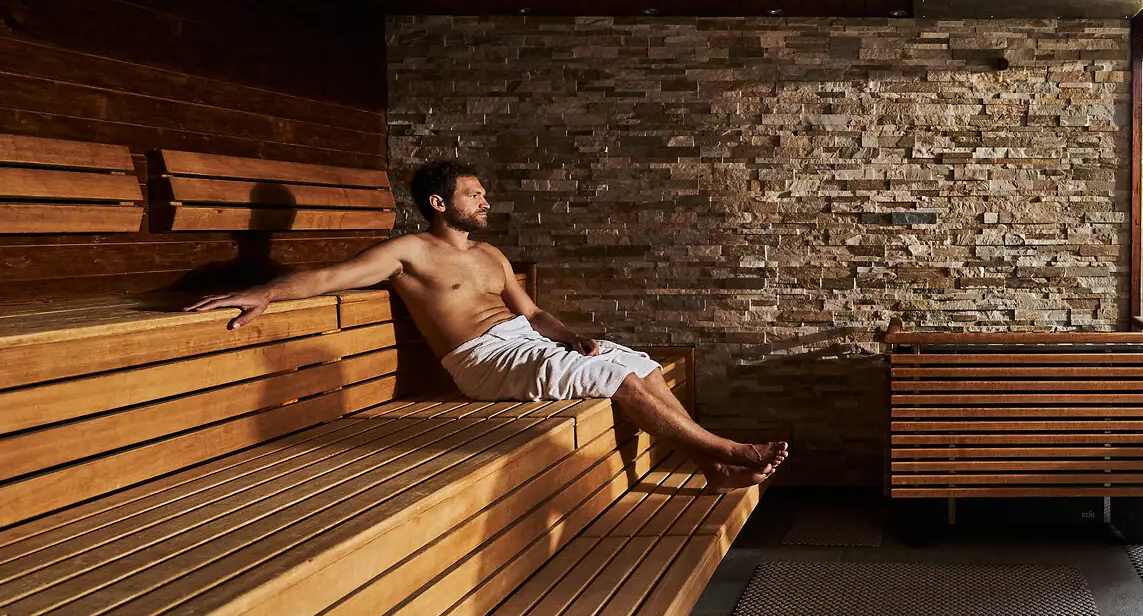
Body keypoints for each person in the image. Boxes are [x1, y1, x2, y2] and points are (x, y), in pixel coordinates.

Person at [187, 159, 786, 490]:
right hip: (481, 362)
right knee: (620, 380)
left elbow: (532, 314)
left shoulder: (492, 256)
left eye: (484, 193)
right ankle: (730, 447)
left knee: (637, 362)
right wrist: (264, 291)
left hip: (524, 343)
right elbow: (326, 278)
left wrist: (570, 334)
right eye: (474, 194)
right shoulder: (411, 253)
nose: (486, 201)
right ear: (441, 203)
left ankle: (712, 467)